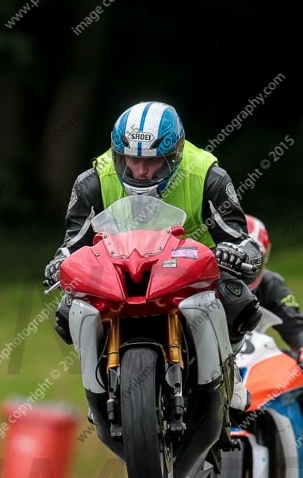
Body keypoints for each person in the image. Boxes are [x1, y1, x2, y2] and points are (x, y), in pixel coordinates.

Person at [43, 101, 263, 409]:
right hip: (118, 271)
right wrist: (59, 262)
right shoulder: (92, 181)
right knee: (68, 311)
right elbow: (73, 243)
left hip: (186, 270)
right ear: (119, 154)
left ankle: (229, 371)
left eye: (154, 162)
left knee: (237, 298)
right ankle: (97, 387)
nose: (142, 170)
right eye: (132, 159)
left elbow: (240, 238)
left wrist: (237, 253)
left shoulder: (207, 175)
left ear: (175, 154)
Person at [245, 215, 303, 478]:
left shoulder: (271, 284)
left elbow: (298, 323)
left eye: (252, 254)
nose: (244, 262)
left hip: (256, 355)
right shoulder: (201, 279)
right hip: (207, 356)